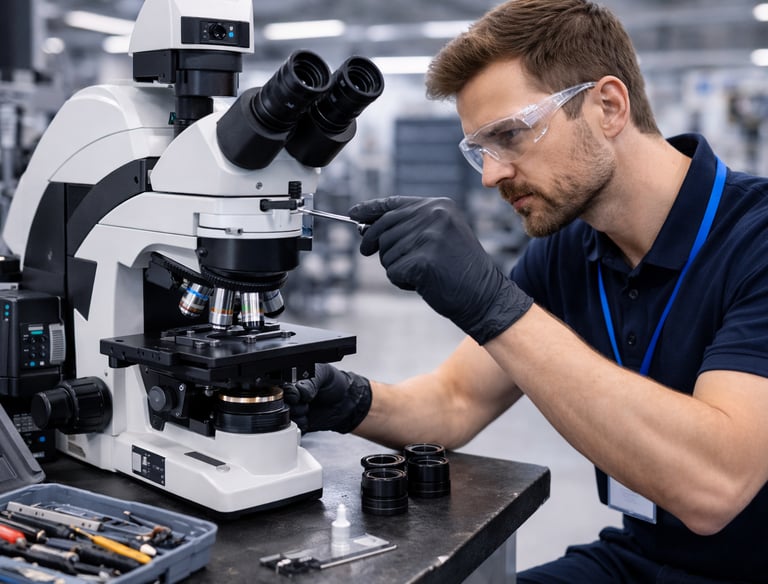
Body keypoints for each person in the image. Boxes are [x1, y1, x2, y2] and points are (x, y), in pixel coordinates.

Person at [285, 0, 768, 581]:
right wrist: (344, 397)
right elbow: (456, 401)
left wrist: (494, 305)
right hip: (646, 556)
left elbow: (714, 486)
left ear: (608, 106)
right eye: (479, 151)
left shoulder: (754, 239)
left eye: (510, 135)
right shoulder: (570, 249)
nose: (491, 175)